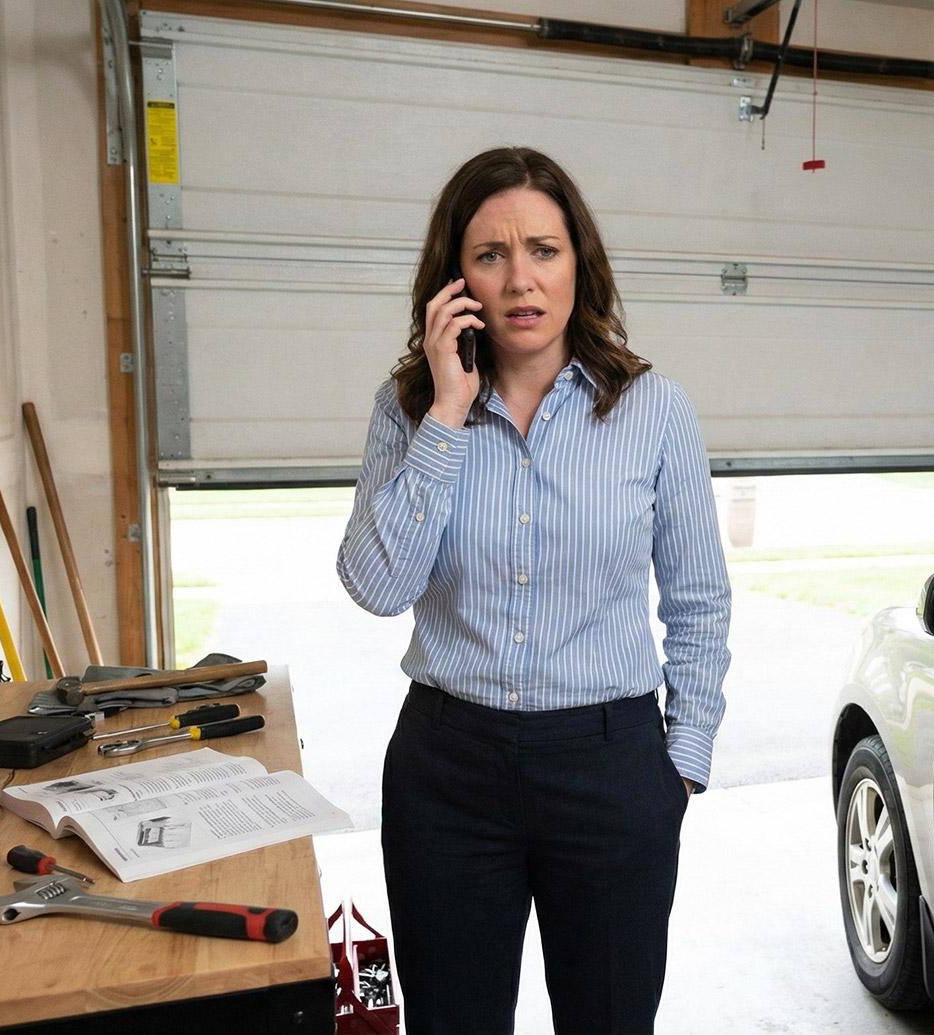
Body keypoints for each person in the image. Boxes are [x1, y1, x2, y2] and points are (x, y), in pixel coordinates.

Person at [336, 147, 732, 1034]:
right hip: (449, 772)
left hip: (612, 768)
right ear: (455, 277)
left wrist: (682, 766)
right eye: (491, 253)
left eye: (544, 250)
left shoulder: (653, 409)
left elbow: (699, 599)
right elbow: (376, 584)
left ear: (579, 262)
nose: (521, 279)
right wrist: (446, 412)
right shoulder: (407, 409)